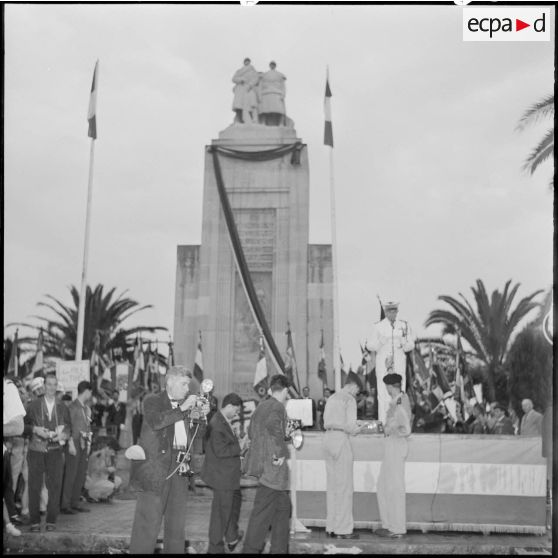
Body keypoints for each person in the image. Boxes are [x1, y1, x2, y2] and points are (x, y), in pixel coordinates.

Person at [128, 365, 199, 554]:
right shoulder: (153, 401)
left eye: (188, 385)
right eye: (184, 384)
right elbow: (157, 422)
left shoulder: (184, 406)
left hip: (180, 469)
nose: (187, 389)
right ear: (170, 382)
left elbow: (194, 434)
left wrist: (200, 416)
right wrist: (183, 408)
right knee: (147, 525)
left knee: (176, 527)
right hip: (156, 470)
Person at [243, 374, 291, 554]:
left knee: (283, 512)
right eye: (287, 393)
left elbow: (251, 431)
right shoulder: (278, 407)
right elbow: (273, 426)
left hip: (265, 469)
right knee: (260, 517)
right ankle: (249, 550)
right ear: (285, 390)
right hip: (274, 473)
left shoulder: (260, 406)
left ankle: (279, 550)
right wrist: (281, 452)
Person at [24, 372, 71, 532]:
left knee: (55, 486)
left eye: (54, 385)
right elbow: (24, 427)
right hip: (36, 450)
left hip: (55, 451)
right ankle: (34, 522)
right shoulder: (33, 405)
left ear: (56, 387)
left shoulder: (63, 406)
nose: (51, 388)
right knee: (34, 487)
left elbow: (69, 428)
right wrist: (36, 430)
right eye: (49, 384)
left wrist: (63, 435)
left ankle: (51, 520)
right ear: (44, 386)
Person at [322, 372, 365, 539]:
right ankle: (344, 530)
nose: (356, 394)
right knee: (344, 487)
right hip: (340, 440)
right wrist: (360, 427)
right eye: (357, 391)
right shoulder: (349, 399)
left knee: (332, 486)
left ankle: (331, 526)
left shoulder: (332, 398)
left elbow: (325, 420)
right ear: (353, 386)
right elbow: (350, 426)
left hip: (327, 439)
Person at [201, 393, 246, 554]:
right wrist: (240, 446)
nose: (236, 414)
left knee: (233, 505)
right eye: (236, 410)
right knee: (220, 514)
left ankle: (232, 537)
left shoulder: (222, 421)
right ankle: (215, 547)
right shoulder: (217, 424)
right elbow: (220, 450)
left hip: (227, 476)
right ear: (229, 406)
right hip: (222, 477)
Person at [366, 301, 415, 424]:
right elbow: (369, 346)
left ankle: (400, 422)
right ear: (386, 312)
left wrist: (404, 343)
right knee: (383, 394)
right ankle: (383, 423)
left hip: (399, 362)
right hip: (383, 363)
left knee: (400, 392)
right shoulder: (378, 326)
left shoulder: (404, 325)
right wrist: (380, 342)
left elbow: (411, 345)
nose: (393, 313)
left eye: (395, 311)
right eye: (390, 311)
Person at [375, 373, 412, 538]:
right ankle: (388, 524)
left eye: (387, 386)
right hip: (391, 444)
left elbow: (405, 427)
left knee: (395, 487)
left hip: (396, 443)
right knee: (383, 486)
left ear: (390, 386)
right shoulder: (397, 400)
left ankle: (397, 528)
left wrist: (391, 428)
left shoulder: (401, 400)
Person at [61, 381, 93, 514]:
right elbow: (68, 427)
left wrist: (89, 443)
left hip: (83, 443)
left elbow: (87, 426)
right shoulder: (73, 407)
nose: (91, 395)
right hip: (74, 443)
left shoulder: (85, 408)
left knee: (80, 474)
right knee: (71, 475)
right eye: (90, 392)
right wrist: (70, 444)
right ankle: (65, 504)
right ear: (86, 391)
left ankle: (74, 502)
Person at [4, 377, 26, 537]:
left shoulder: (7, 387)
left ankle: (9, 520)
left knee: (11, 482)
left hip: (12, 447)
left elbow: (18, 426)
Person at [232, 57, 260, 124]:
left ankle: (254, 119)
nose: (246, 62)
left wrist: (250, 85)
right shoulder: (239, 71)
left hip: (249, 88)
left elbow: (256, 79)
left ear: (249, 62)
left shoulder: (253, 71)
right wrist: (241, 79)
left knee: (252, 104)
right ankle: (239, 119)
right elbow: (234, 79)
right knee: (239, 105)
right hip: (240, 89)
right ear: (244, 62)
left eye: (248, 61)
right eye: (245, 61)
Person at [258, 61, 287, 126]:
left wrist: (283, 94)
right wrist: (259, 96)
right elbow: (260, 86)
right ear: (270, 66)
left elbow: (283, 86)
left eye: (273, 65)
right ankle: (263, 122)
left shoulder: (280, 75)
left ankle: (281, 123)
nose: (272, 66)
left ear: (275, 66)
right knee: (264, 110)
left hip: (277, 93)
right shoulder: (265, 75)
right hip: (266, 93)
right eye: (271, 65)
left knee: (280, 110)